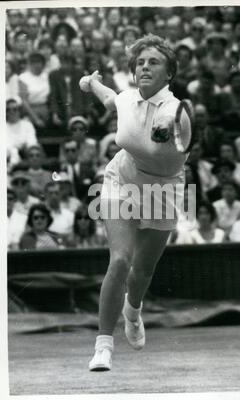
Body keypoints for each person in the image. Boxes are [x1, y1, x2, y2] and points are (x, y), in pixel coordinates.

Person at [80, 34, 191, 371]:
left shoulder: (177, 110)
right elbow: (112, 99)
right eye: (140, 62)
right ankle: (103, 346)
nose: (144, 66)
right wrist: (90, 84)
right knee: (120, 261)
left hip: (164, 190)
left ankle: (134, 311)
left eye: (153, 62)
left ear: (169, 73)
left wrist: (168, 128)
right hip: (123, 178)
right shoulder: (127, 98)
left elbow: (178, 128)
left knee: (141, 272)